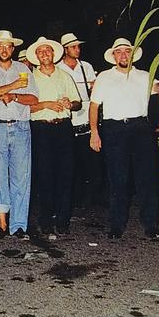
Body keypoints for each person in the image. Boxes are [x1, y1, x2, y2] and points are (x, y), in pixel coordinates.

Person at [89, 38, 159, 239]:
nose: (123, 55)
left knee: (146, 178)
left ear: (132, 54)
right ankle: (116, 226)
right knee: (117, 179)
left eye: (126, 51)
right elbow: (94, 106)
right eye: (119, 52)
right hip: (114, 130)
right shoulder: (104, 77)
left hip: (141, 129)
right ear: (113, 56)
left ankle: (151, 226)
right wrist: (94, 132)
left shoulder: (145, 76)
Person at [0, 30, 39, 240]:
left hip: (20, 127)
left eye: (8, 46)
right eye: (0, 46)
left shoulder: (24, 69)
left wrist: (13, 96)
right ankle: (2, 224)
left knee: (21, 177)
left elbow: (33, 98)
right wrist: (11, 86)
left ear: (13, 48)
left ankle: (19, 225)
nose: (4, 49)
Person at [26, 37, 81, 239]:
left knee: (66, 175)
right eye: (40, 52)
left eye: (47, 51)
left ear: (53, 54)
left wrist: (70, 103)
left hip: (63, 128)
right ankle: (46, 221)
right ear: (36, 57)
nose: (44, 54)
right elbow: (25, 106)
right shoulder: (30, 78)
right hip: (41, 129)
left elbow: (78, 103)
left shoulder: (64, 76)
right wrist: (46, 104)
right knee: (45, 175)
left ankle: (63, 222)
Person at [56, 33, 101, 207]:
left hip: (87, 115)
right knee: (71, 159)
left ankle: (91, 198)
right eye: (73, 47)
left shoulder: (86, 66)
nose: (77, 49)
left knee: (89, 158)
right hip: (70, 117)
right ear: (65, 49)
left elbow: (93, 88)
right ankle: (75, 197)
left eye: (78, 46)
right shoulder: (59, 68)